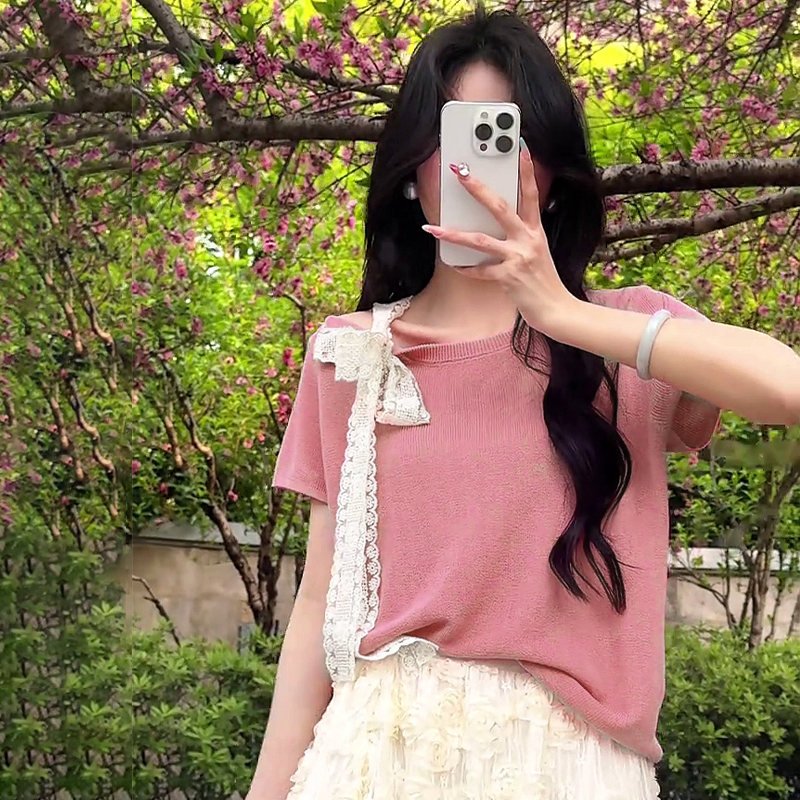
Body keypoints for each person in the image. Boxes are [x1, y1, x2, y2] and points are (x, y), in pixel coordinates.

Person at [245, 6, 800, 800]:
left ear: (552, 169)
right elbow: (318, 602)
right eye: (457, 135)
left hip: (571, 769)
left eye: (504, 135)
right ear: (409, 168)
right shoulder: (352, 352)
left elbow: (787, 390)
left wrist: (565, 316)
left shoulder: (625, 334)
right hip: (371, 762)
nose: (480, 168)